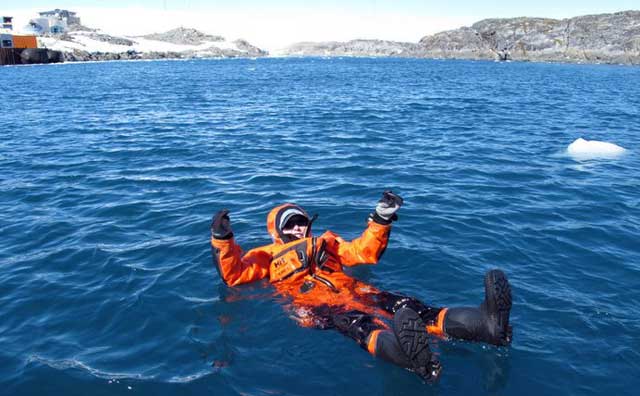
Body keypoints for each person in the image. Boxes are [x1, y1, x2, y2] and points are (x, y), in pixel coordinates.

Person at [210, 191, 512, 381]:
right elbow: (234, 275)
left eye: (301, 222)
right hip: (315, 306)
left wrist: (380, 219)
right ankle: (408, 356)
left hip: (357, 290)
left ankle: (487, 326)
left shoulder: (326, 242)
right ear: (277, 231)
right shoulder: (265, 255)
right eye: (290, 225)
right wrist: (223, 240)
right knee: (359, 324)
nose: (298, 228)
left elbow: (362, 252)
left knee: (409, 306)